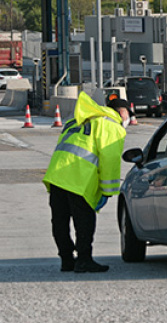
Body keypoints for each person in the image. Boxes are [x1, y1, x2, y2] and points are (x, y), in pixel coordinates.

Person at [43, 94, 131, 273]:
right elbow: (110, 159)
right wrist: (107, 191)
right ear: (122, 112)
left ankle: (67, 260)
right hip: (79, 179)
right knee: (84, 221)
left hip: (56, 175)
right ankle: (84, 259)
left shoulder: (75, 121)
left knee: (60, 220)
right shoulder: (111, 125)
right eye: (129, 114)